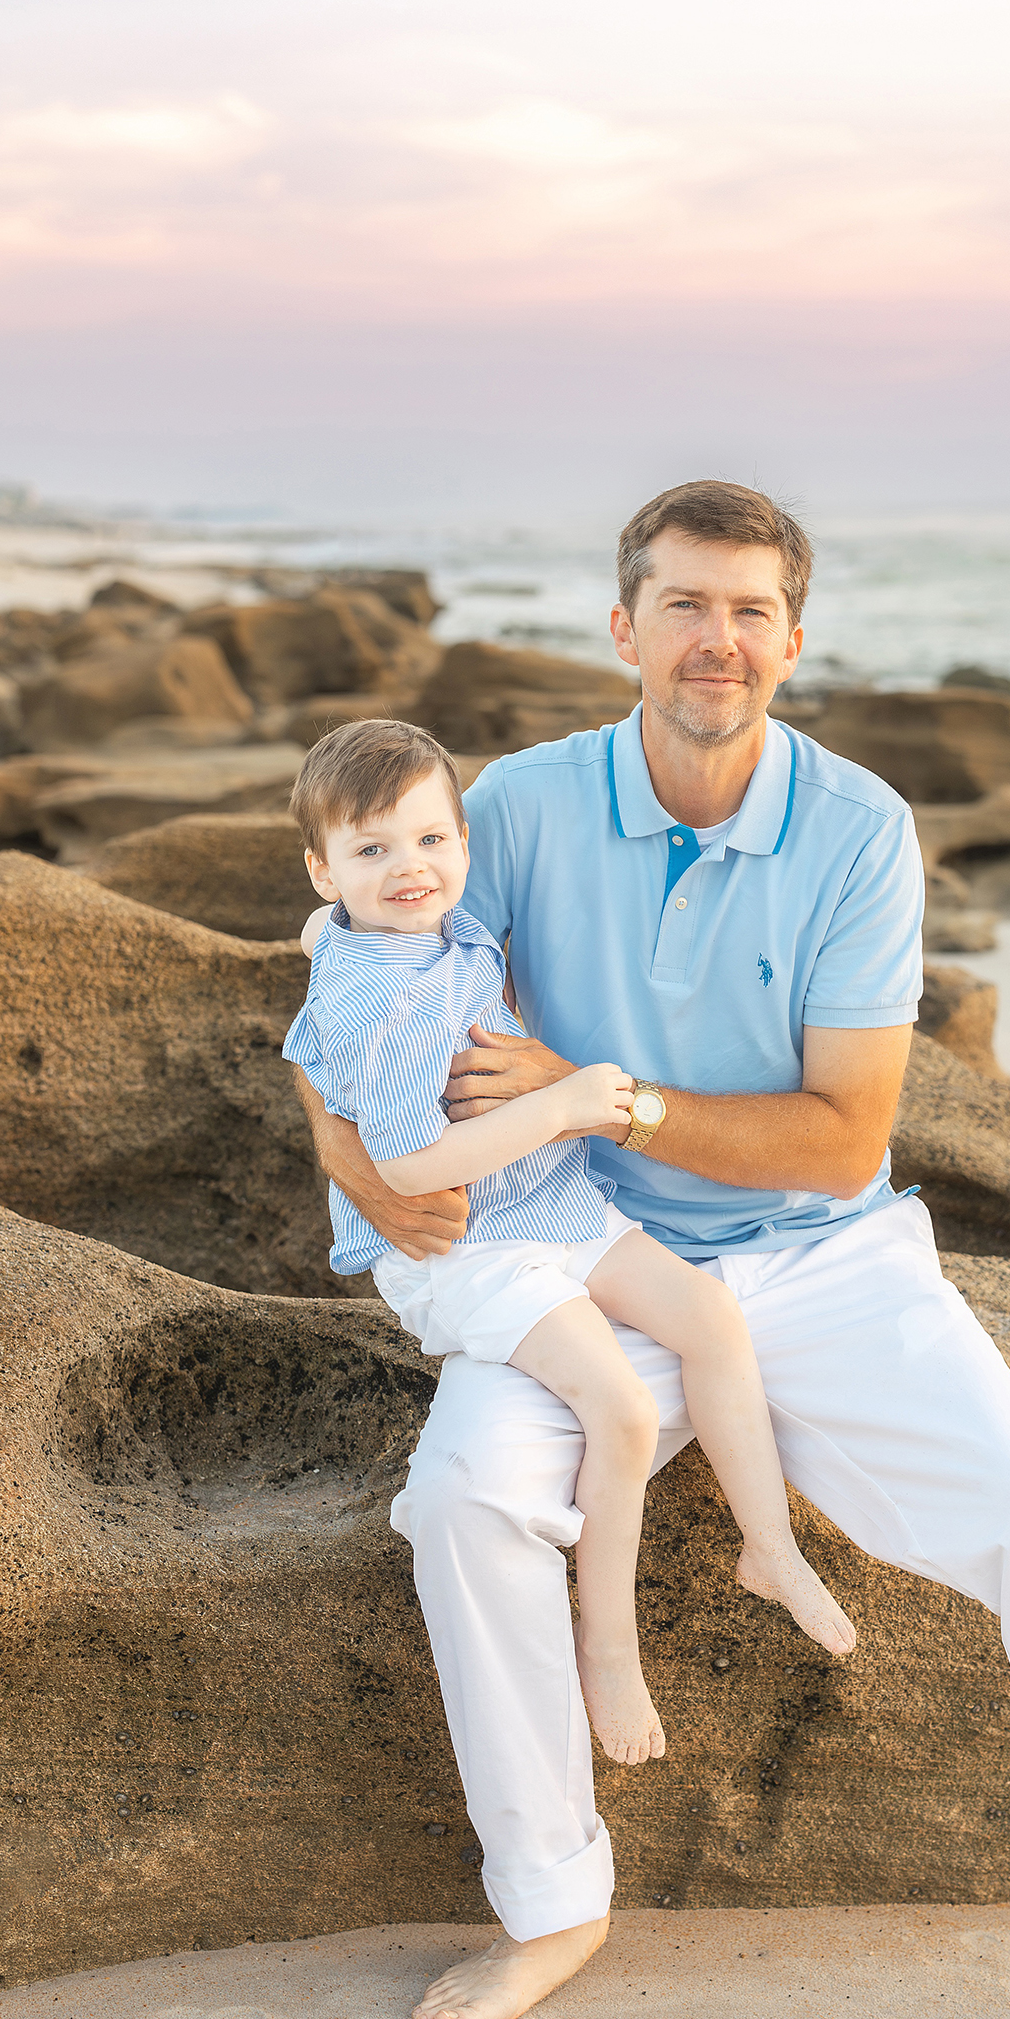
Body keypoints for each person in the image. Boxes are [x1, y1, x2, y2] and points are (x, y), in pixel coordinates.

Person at [290, 480, 1010, 2019]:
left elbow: (837, 1141)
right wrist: (356, 1160)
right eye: (684, 604)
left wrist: (609, 1099)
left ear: (793, 642)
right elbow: (353, 974)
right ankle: (556, 1903)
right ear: (623, 630)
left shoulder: (855, 830)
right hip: (574, 1251)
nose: (717, 639)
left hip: (822, 1259)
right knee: (461, 1499)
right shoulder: (517, 809)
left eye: (750, 612)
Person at [283, 718, 856, 1767]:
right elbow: (409, 1171)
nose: (409, 868)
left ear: (462, 840)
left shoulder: (411, 929)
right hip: (467, 1249)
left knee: (710, 1320)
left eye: (429, 840)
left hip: (550, 1204)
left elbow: (326, 941)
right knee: (623, 1408)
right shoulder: (383, 998)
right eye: (372, 851)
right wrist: (567, 1103)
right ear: (322, 866)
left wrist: (327, 927)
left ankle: (766, 1545)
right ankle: (608, 1642)